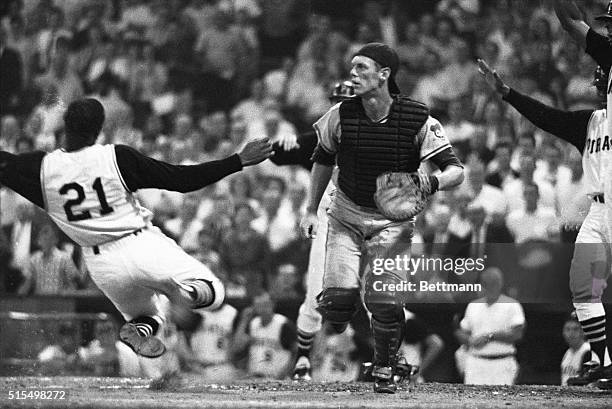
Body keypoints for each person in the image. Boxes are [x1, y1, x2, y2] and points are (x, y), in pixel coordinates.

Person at [0, 98, 272, 379]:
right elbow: (181, 179)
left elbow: (5, 164)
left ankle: (141, 328)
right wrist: (238, 160)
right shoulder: (115, 157)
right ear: (98, 130)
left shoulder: (42, 169)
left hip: (100, 264)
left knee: (149, 317)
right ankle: (183, 293)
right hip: (139, 242)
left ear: (64, 127)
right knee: (214, 293)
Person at [299, 43, 464, 393]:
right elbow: (323, 160)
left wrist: (429, 181)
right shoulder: (340, 114)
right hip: (345, 214)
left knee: (383, 301)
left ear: (384, 74)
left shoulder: (418, 117)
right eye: (352, 68)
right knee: (337, 309)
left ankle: (386, 364)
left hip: (393, 220)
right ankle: (348, 310)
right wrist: (311, 209)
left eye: (361, 68)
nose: (353, 74)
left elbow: (456, 172)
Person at [479, 56, 612, 387]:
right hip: (598, 212)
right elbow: (547, 118)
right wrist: (509, 93)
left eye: (602, 80)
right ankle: (604, 362)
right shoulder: (591, 121)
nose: (598, 85)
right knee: (584, 289)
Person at [269, 80, 355, 381]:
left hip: (366, 224)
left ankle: (392, 358)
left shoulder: (377, 134)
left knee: (378, 291)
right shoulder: (321, 136)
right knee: (316, 291)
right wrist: (279, 144)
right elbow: (280, 153)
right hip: (330, 225)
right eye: (338, 101)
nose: (343, 107)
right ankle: (303, 358)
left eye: (350, 100)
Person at [454, 267, 525, 385]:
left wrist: (490, 337)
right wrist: (469, 340)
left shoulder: (512, 305)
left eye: (494, 283)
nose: (491, 287)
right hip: (476, 362)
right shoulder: (473, 306)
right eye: (487, 283)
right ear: (482, 284)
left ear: (500, 283)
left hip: (502, 363)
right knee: (472, 402)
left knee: (502, 401)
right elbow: (462, 331)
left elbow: (517, 334)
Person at [561, 312, 600, 386]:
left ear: (583, 332)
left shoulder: (589, 352)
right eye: (567, 329)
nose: (571, 333)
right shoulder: (568, 352)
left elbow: (591, 383)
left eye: (575, 329)